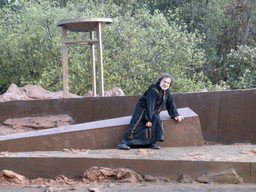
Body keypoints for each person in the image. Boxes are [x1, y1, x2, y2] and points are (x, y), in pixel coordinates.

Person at [117, 73, 184, 150]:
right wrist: (148, 119)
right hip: (143, 110)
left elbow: (170, 104)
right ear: (160, 81)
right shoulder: (153, 90)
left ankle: (149, 143)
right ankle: (123, 143)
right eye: (164, 81)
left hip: (153, 112)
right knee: (136, 126)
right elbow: (150, 105)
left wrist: (176, 115)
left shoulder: (167, 92)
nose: (166, 84)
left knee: (156, 124)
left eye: (168, 83)